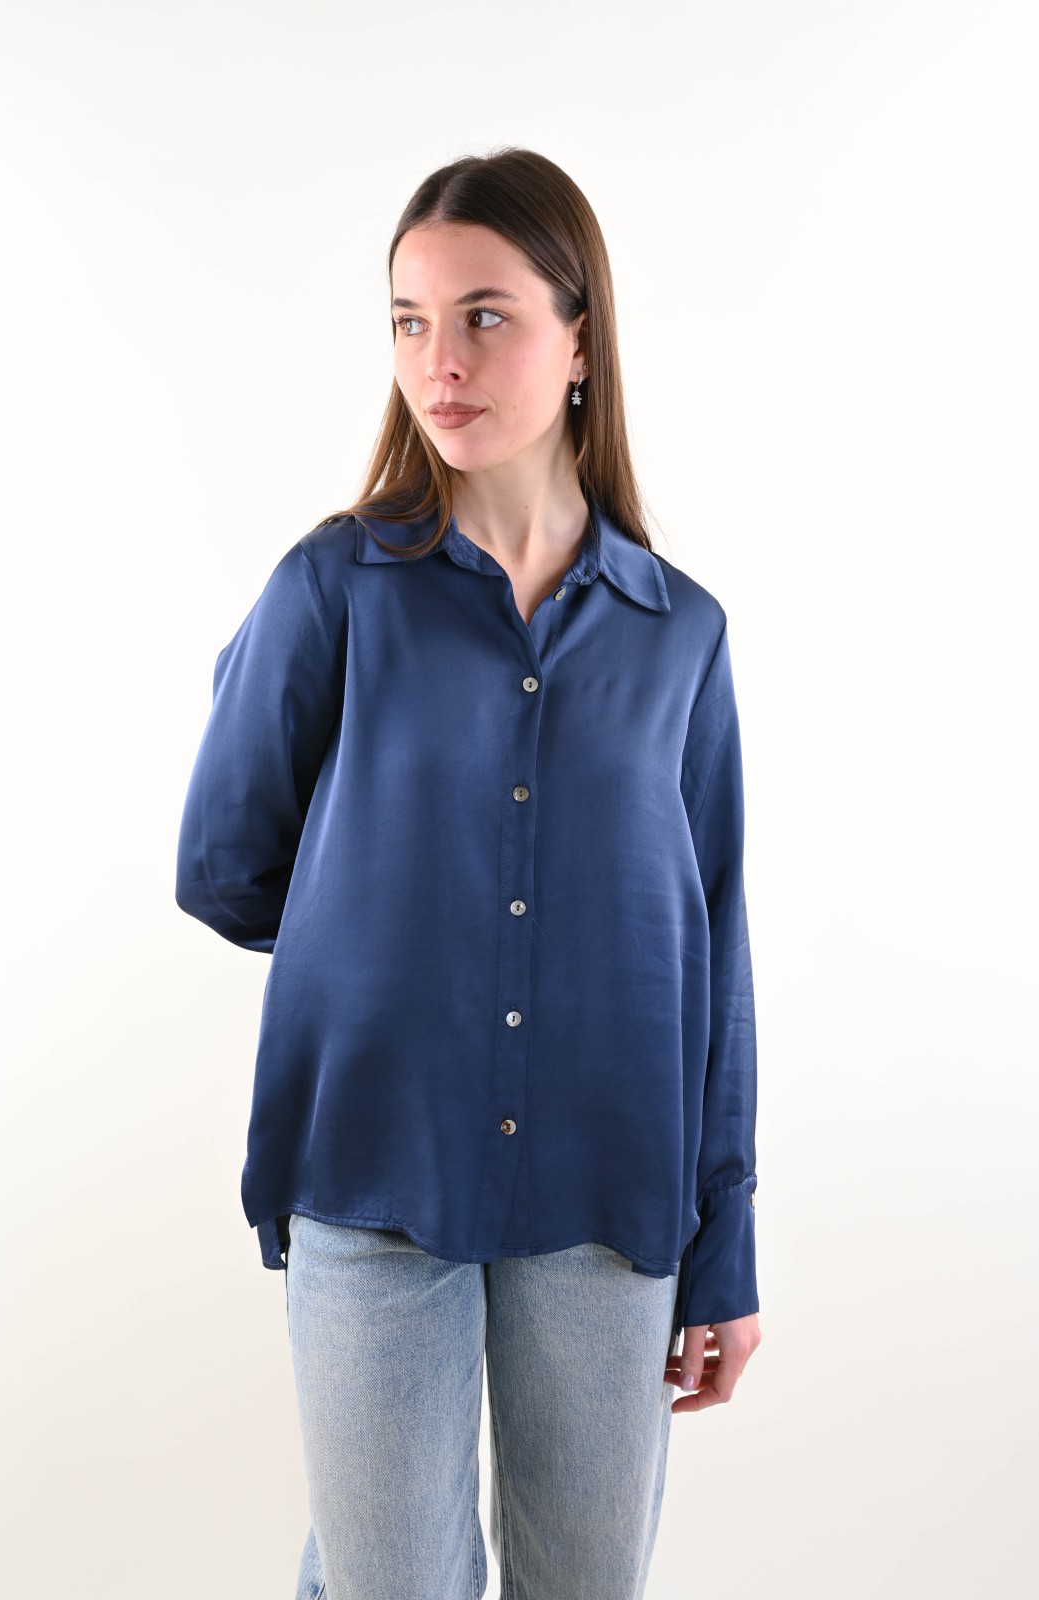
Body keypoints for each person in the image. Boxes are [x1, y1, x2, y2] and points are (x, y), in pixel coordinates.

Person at [175, 145, 761, 1600]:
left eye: (484, 317)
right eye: (409, 321)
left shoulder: (679, 635)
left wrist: (727, 1244)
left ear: (579, 341)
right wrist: (394, 925)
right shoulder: (332, 590)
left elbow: (713, 947)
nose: (439, 362)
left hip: (607, 1195)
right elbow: (225, 864)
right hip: (372, 1173)